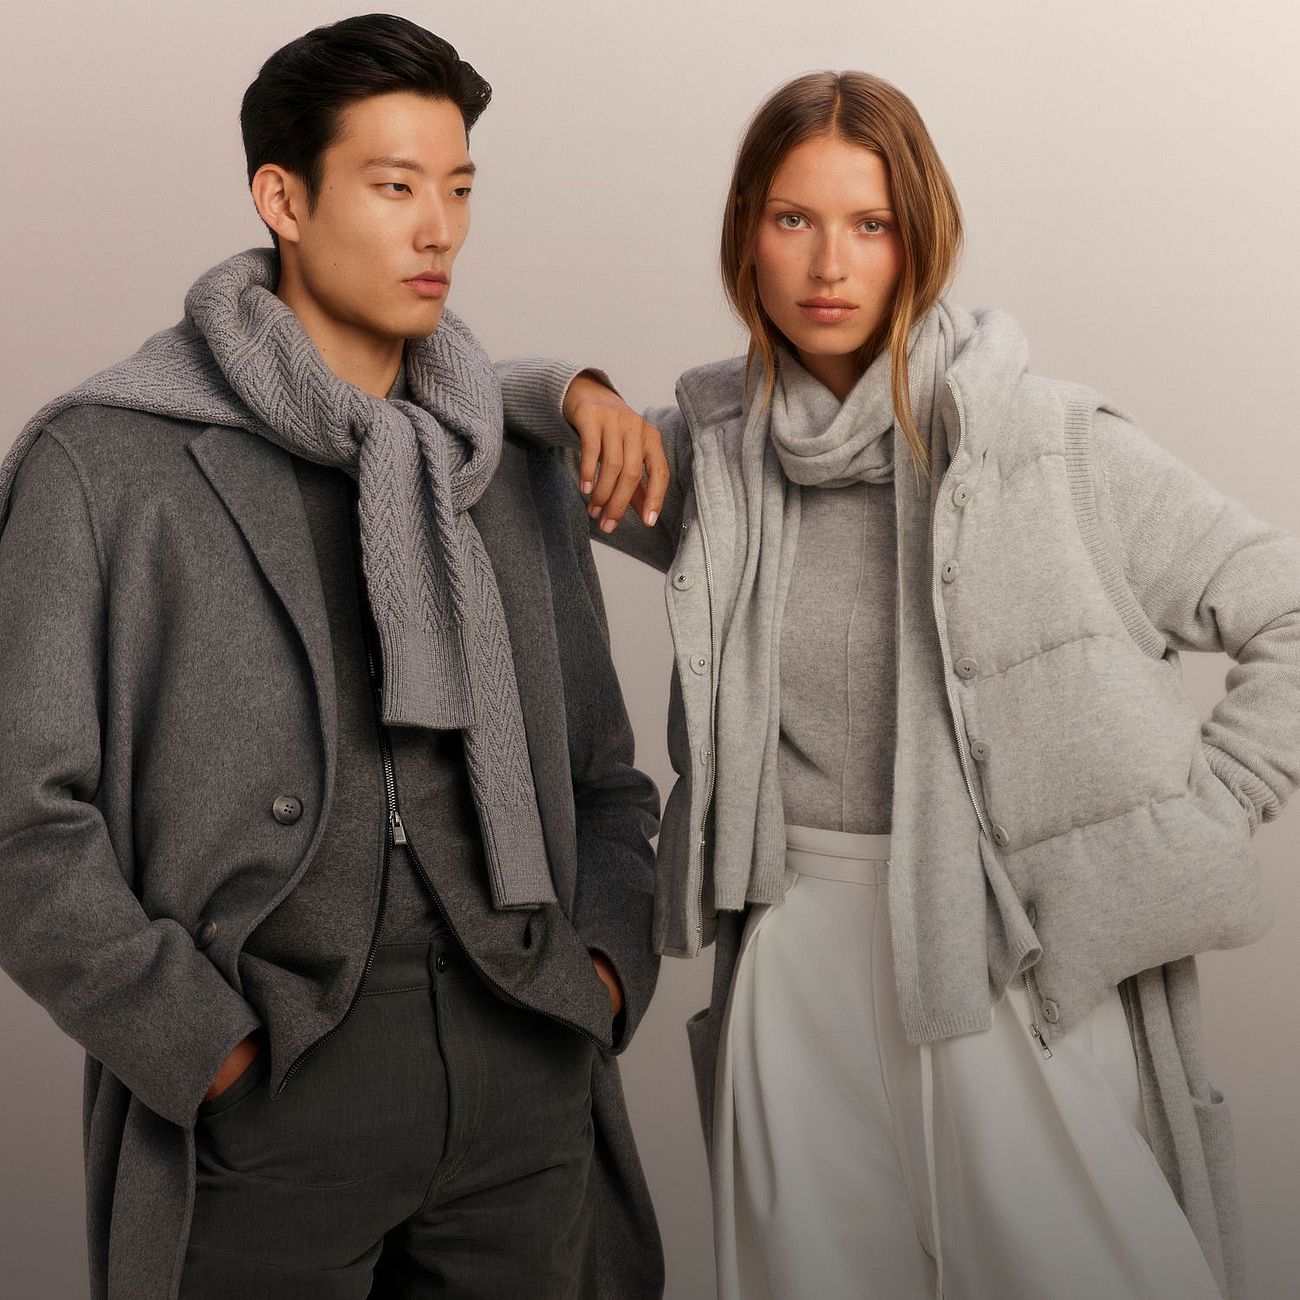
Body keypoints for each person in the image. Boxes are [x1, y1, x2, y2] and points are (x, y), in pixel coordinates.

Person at [498, 70, 1300, 1299]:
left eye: (868, 224)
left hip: (1004, 956)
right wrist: (571, 388)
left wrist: (1199, 811)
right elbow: (471, 424)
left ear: (917, 237)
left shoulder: (1051, 443)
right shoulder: (714, 461)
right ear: (747, 235)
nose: (830, 263)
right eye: (793, 219)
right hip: (795, 960)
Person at [0, 15, 664, 1300]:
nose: (440, 231)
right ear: (283, 199)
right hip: (273, 1084)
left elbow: (603, 777)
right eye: (396, 186)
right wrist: (200, 1047)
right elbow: (21, 820)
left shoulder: (508, 459)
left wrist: (603, 975)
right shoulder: (105, 463)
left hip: (528, 1067)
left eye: (458, 188)